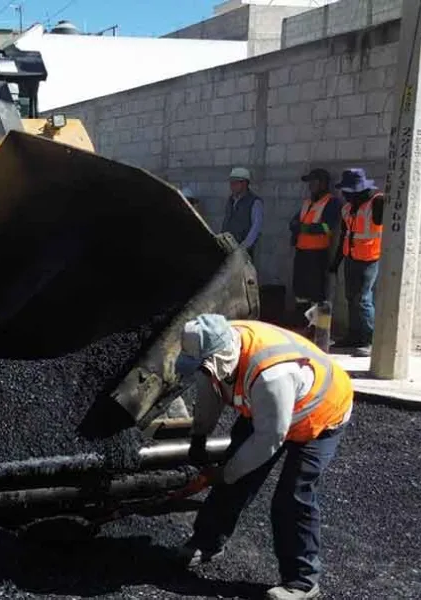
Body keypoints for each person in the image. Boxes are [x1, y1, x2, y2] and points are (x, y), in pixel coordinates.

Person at [173, 314, 353, 600]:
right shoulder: (217, 350)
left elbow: (269, 440)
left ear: (221, 358)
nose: (202, 373)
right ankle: (208, 541)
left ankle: (302, 581)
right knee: (235, 474)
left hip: (319, 411)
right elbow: (211, 392)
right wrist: (199, 435)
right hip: (268, 408)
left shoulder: (271, 375)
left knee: (293, 495)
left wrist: (226, 472)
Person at [330, 168, 384, 357]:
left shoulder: (376, 203)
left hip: (369, 259)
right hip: (351, 258)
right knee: (351, 298)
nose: (344, 195)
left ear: (357, 190)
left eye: (347, 192)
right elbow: (344, 235)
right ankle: (354, 336)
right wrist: (336, 262)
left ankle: (370, 340)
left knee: (363, 299)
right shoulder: (347, 208)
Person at [289, 169, 342, 331]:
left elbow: (325, 227)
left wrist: (302, 228)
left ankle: (319, 330)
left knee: (317, 293)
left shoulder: (332, 202)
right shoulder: (307, 202)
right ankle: (302, 324)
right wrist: (300, 227)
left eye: (314, 182)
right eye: (309, 182)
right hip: (302, 252)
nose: (310, 185)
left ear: (323, 183)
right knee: (300, 291)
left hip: (317, 254)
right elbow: (293, 222)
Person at [222, 167, 263, 266]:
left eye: (234, 183)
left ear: (244, 183)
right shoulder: (230, 200)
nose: (231, 186)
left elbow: (256, 228)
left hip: (242, 251)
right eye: (231, 183)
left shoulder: (255, 202)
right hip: (227, 248)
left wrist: (243, 248)